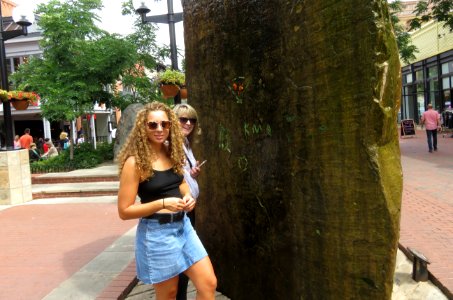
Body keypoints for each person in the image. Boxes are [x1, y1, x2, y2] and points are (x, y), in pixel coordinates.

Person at [117, 101, 216, 299]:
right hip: (157, 233)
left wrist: (188, 196)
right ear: (143, 128)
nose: (160, 129)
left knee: (208, 284)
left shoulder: (172, 151)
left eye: (165, 124)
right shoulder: (134, 162)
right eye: (153, 125)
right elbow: (124, 211)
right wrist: (162, 203)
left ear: (171, 125)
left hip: (183, 226)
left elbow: (181, 183)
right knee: (169, 294)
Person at [173, 104, 203, 300]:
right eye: (183, 119)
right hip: (177, 210)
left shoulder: (185, 144)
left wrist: (192, 174)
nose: (188, 123)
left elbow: (182, 175)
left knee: (184, 261)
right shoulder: (170, 145)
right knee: (180, 262)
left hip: (188, 209)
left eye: (191, 120)